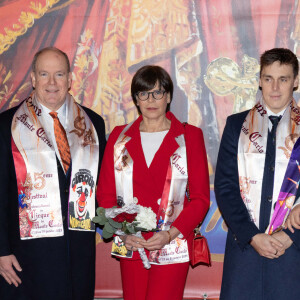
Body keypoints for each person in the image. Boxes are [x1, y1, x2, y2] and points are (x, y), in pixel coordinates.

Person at [0, 47, 106, 300]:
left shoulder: (93, 123)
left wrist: (123, 221)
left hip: (77, 252)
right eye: (44, 74)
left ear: (70, 79)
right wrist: (1, 250)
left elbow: (100, 189)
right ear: (33, 79)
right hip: (26, 253)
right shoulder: (7, 125)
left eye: (59, 74)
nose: (51, 83)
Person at [96, 65, 210, 300]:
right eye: (143, 93)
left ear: (168, 96)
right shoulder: (118, 137)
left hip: (172, 241)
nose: (151, 99)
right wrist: (123, 233)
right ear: (136, 99)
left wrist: (171, 234)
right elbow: (105, 195)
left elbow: (200, 199)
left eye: (157, 92)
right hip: (132, 243)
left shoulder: (189, 136)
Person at [215, 47, 300, 300]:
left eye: (283, 79)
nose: (274, 87)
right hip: (245, 250)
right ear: (260, 81)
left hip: (293, 251)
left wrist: (291, 237)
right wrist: (252, 236)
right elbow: (225, 187)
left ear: (295, 82)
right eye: (268, 78)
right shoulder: (236, 125)